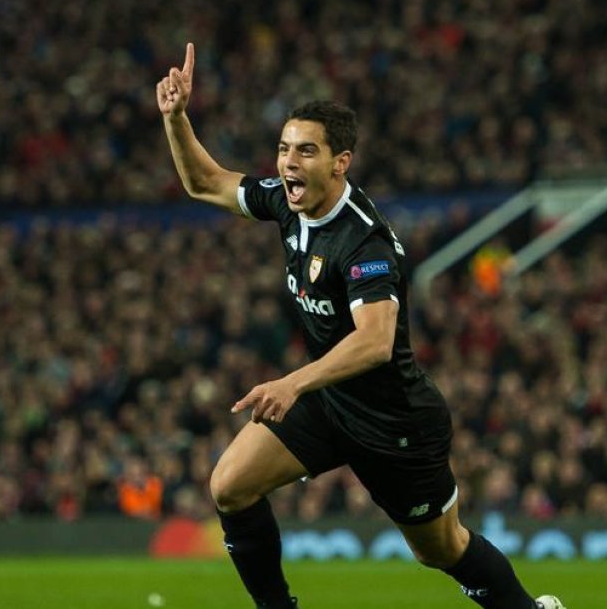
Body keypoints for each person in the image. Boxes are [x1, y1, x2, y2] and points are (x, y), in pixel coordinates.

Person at [156, 44, 564, 609]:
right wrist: (176, 119)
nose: (287, 163)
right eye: (282, 149)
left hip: (393, 420)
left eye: (304, 151)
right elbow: (206, 183)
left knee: (441, 549)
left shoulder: (362, 240)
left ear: (339, 162)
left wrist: (293, 382)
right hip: (330, 401)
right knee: (230, 484)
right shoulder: (286, 204)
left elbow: (374, 342)